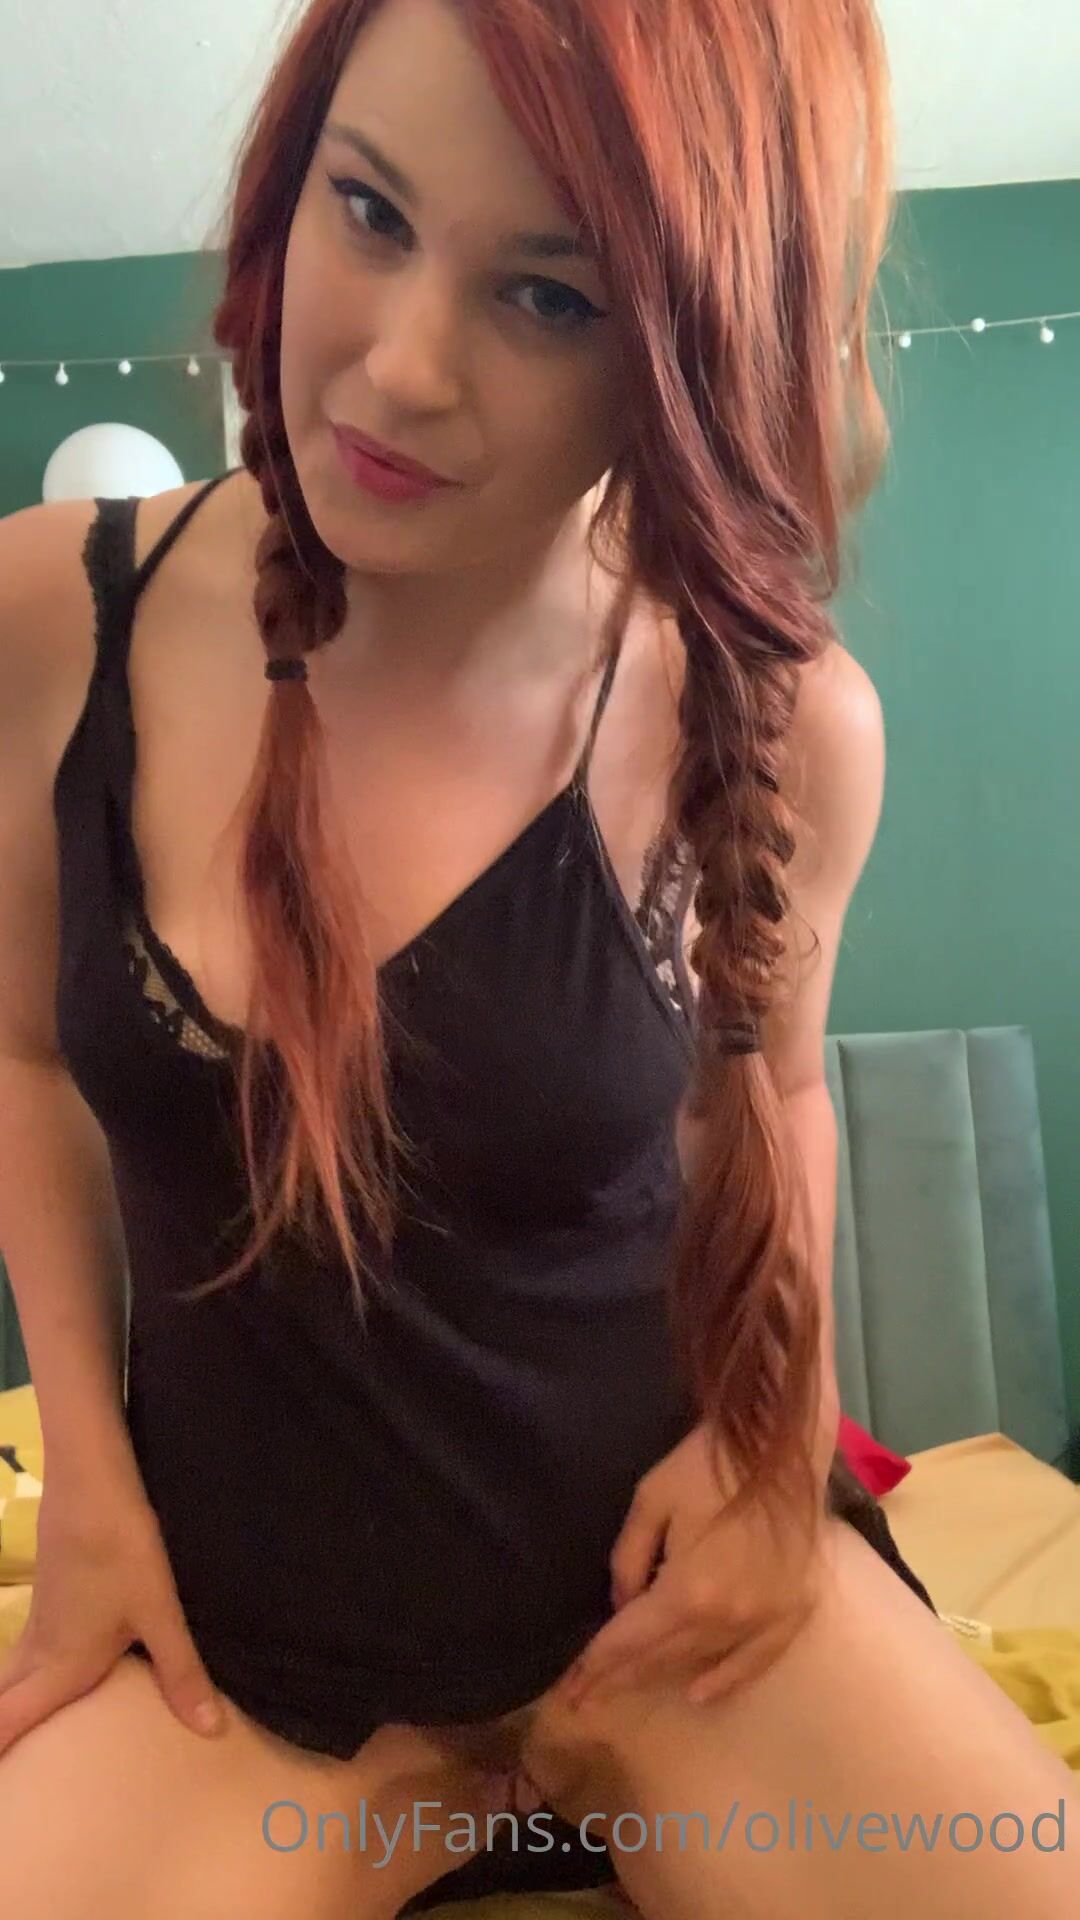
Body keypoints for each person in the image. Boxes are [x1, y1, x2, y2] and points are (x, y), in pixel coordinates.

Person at [0, 0, 1075, 1915]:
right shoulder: (47, 614)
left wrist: (772, 1456)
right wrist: (84, 1472)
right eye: (369, 211)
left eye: (551, 297)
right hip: (245, 1658)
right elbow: (20, 1059)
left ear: (687, 357)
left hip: (673, 1624)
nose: (399, 369)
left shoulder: (785, 723)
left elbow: (773, 1099)